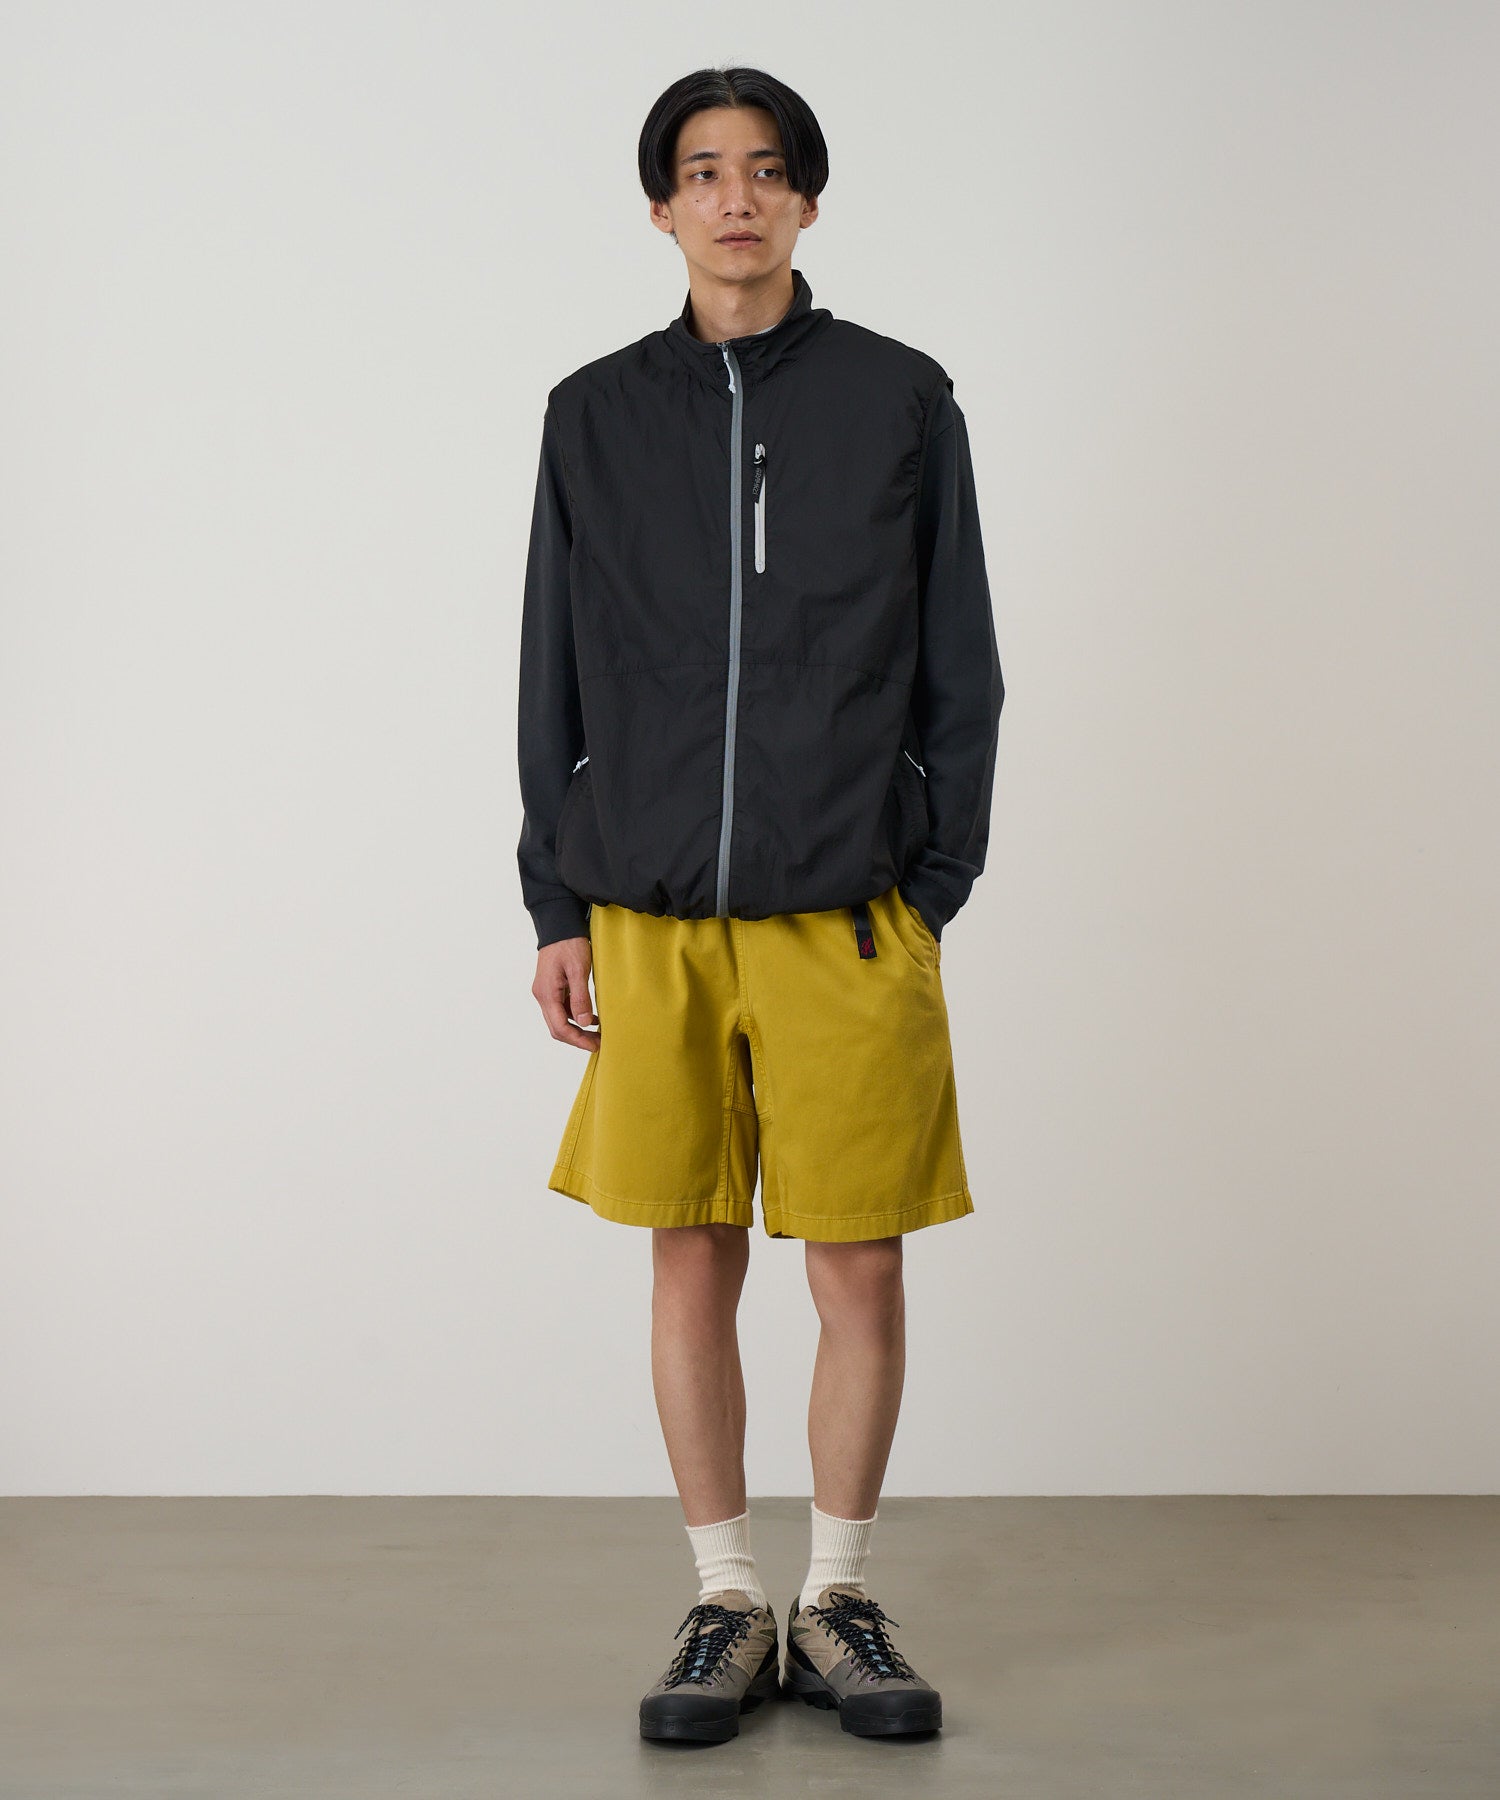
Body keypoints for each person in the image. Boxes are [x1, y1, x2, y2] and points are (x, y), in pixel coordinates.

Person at [516, 65, 1004, 1746]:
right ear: (662, 206)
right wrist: (555, 899)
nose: (738, 197)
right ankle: (727, 1596)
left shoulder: (899, 397)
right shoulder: (593, 413)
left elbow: (962, 661)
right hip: (648, 917)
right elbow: (552, 663)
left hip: (847, 914)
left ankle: (840, 1596)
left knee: (855, 1262)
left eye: (769, 169)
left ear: (806, 200)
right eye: (706, 171)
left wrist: (930, 880)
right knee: (691, 1251)